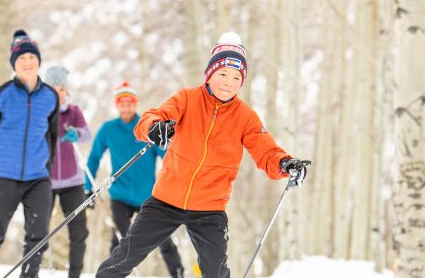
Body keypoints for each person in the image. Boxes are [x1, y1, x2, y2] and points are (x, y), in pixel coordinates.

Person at [95, 32, 310, 278]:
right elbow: (151, 118)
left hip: (209, 208)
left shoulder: (245, 117)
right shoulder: (187, 99)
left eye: (236, 77)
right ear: (209, 74)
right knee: (124, 257)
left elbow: (266, 151)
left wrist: (285, 163)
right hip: (165, 201)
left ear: (242, 82)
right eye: (222, 74)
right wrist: (155, 128)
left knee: (215, 271)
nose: (228, 82)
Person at [0, 29, 59, 278]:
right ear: (14, 63)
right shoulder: (0, 95)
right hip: (4, 176)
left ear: (39, 61)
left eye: (32, 58)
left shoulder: (50, 97)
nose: (27, 63)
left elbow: (53, 135)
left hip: (38, 179)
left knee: (37, 239)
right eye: (21, 59)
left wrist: (49, 168)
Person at [86, 82, 185, 278]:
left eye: (129, 103)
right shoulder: (108, 129)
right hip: (120, 195)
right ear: (117, 105)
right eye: (121, 103)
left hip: (147, 195)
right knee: (120, 241)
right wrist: (87, 187)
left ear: (135, 104)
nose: (126, 107)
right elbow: (94, 157)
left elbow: (166, 157)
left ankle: (179, 274)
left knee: (163, 238)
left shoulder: (146, 127)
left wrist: (178, 181)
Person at [45, 66, 92, 278]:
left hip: (73, 182)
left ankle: (75, 275)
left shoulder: (73, 112)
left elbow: (86, 134)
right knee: (37, 230)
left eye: (62, 88)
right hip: (44, 181)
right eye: (54, 88)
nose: (58, 92)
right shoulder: (41, 111)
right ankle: (34, 270)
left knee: (79, 232)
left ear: (66, 91)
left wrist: (76, 133)